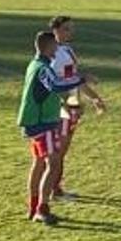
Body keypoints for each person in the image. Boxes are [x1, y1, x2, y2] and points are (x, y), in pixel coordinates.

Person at [17, 31, 94, 225]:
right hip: (43, 123)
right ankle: (42, 209)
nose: (56, 49)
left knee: (38, 164)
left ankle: (33, 206)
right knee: (53, 163)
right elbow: (57, 85)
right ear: (47, 47)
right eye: (54, 46)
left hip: (34, 122)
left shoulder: (35, 65)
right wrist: (81, 79)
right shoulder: (43, 68)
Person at [48, 16, 107, 202]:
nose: (70, 32)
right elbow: (54, 85)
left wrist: (94, 97)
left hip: (72, 107)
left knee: (62, 151)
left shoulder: (67, 50)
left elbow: (74, 79)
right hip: (62, 109)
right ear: (55, 31)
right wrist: (68, 104)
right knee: (57, 153)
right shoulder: (53, 55)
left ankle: (55, 188)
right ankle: (53, 190)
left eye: (71, 29)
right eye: (66, 29)